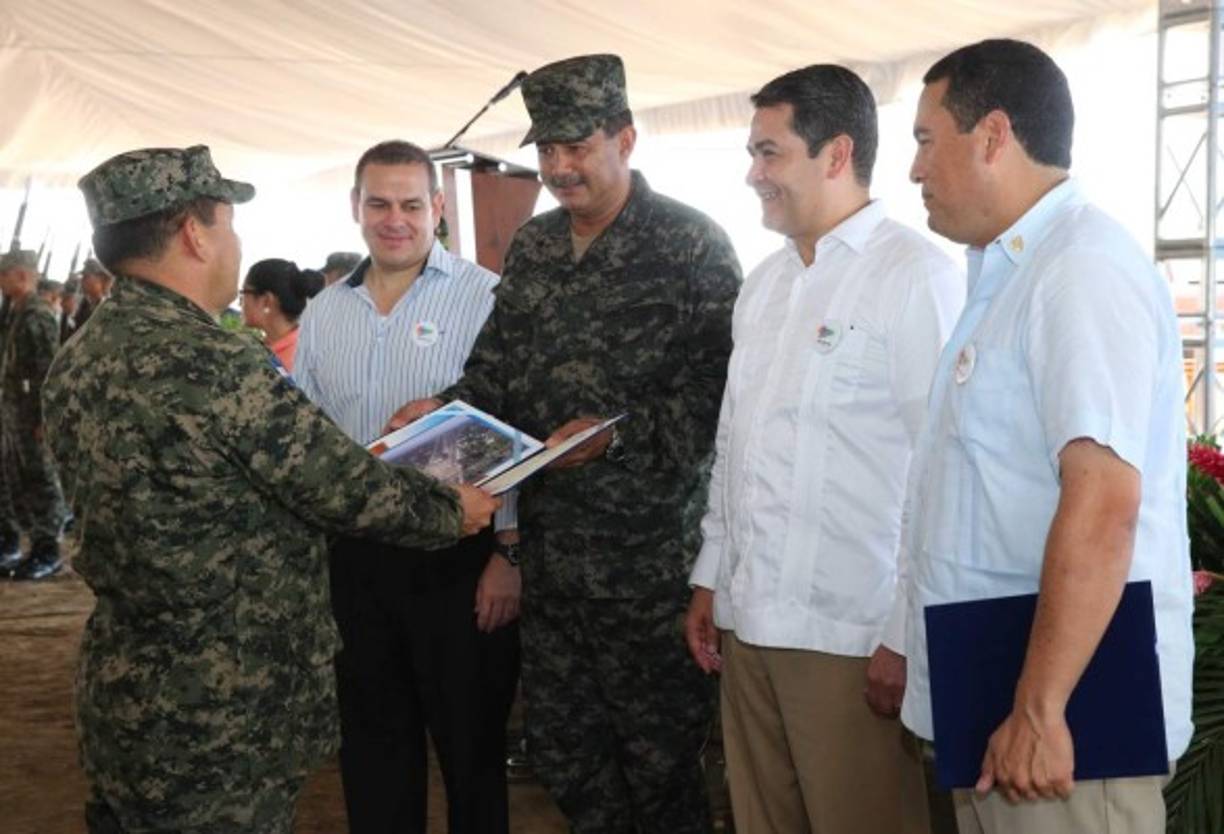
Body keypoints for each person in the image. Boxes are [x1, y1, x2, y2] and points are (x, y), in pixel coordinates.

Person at [44, 144, 500, 834]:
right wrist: (450, 509)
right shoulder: (211, 361)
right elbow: (333, 482)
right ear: (195, 235)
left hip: (129, 679)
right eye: (226, 223)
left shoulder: (79, 358)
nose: (235, 241)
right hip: (219, 696)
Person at [394, 54, 742, 833]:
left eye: (577, 148)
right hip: (553, 568)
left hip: (649, 571)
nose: (558, 168)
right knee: (565, 755)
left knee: (660, 769)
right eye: (546, 151)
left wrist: (616, 441)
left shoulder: (692, 246)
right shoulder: (536, 247)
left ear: (626, 138)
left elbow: (722, 398)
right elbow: (497, 374)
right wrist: (439, 416)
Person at [895, 39, 1194, 834]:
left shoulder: (1080, 268)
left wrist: (1041, 706)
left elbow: (1103, 504)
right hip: (1000, 673)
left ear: (992, 135)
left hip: (1067, 715)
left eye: (926, 140)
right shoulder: (1009, 271)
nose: (915, 170)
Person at [683, 64, 963, 834]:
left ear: (836, 154)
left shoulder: (916, 279)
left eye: (769, 153)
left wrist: (905, 634)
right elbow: (734, 443)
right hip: (748, 625)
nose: (752, 174)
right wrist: (712, 577)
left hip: (851, 635)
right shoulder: (765, 285)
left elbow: (941, 473)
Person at [293, 140, 521, 834]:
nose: (395, 220)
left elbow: (514, 428)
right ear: (356, 208)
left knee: (471, 753)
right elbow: (306, 434)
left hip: (461, 558)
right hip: (356, 561)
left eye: (412, 204)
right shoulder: (326, 311)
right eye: (380, 203)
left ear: (439, 209)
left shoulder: (489, 299)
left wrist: (508, 555)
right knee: (372, 749)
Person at [0, 248, 67, 580]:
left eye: (4, 275)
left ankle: (48, 550)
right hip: (17, 412)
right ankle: (30, 544)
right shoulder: (18, 311)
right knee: (20, 479)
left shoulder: (37, 314)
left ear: (21, 275)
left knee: (40, 478)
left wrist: (44, 417)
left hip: (32, 414)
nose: (0, 282)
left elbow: (48, 371)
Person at [239, 258, 323, 371]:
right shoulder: (306, 347)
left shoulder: (287, 365)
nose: (240, 303)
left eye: (243, 293)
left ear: (266, 301)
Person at [74, 257, 112, 330]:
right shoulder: (84, 305)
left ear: (102, 278)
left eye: (86, 277)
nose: (81, 280)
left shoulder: (109, 307)